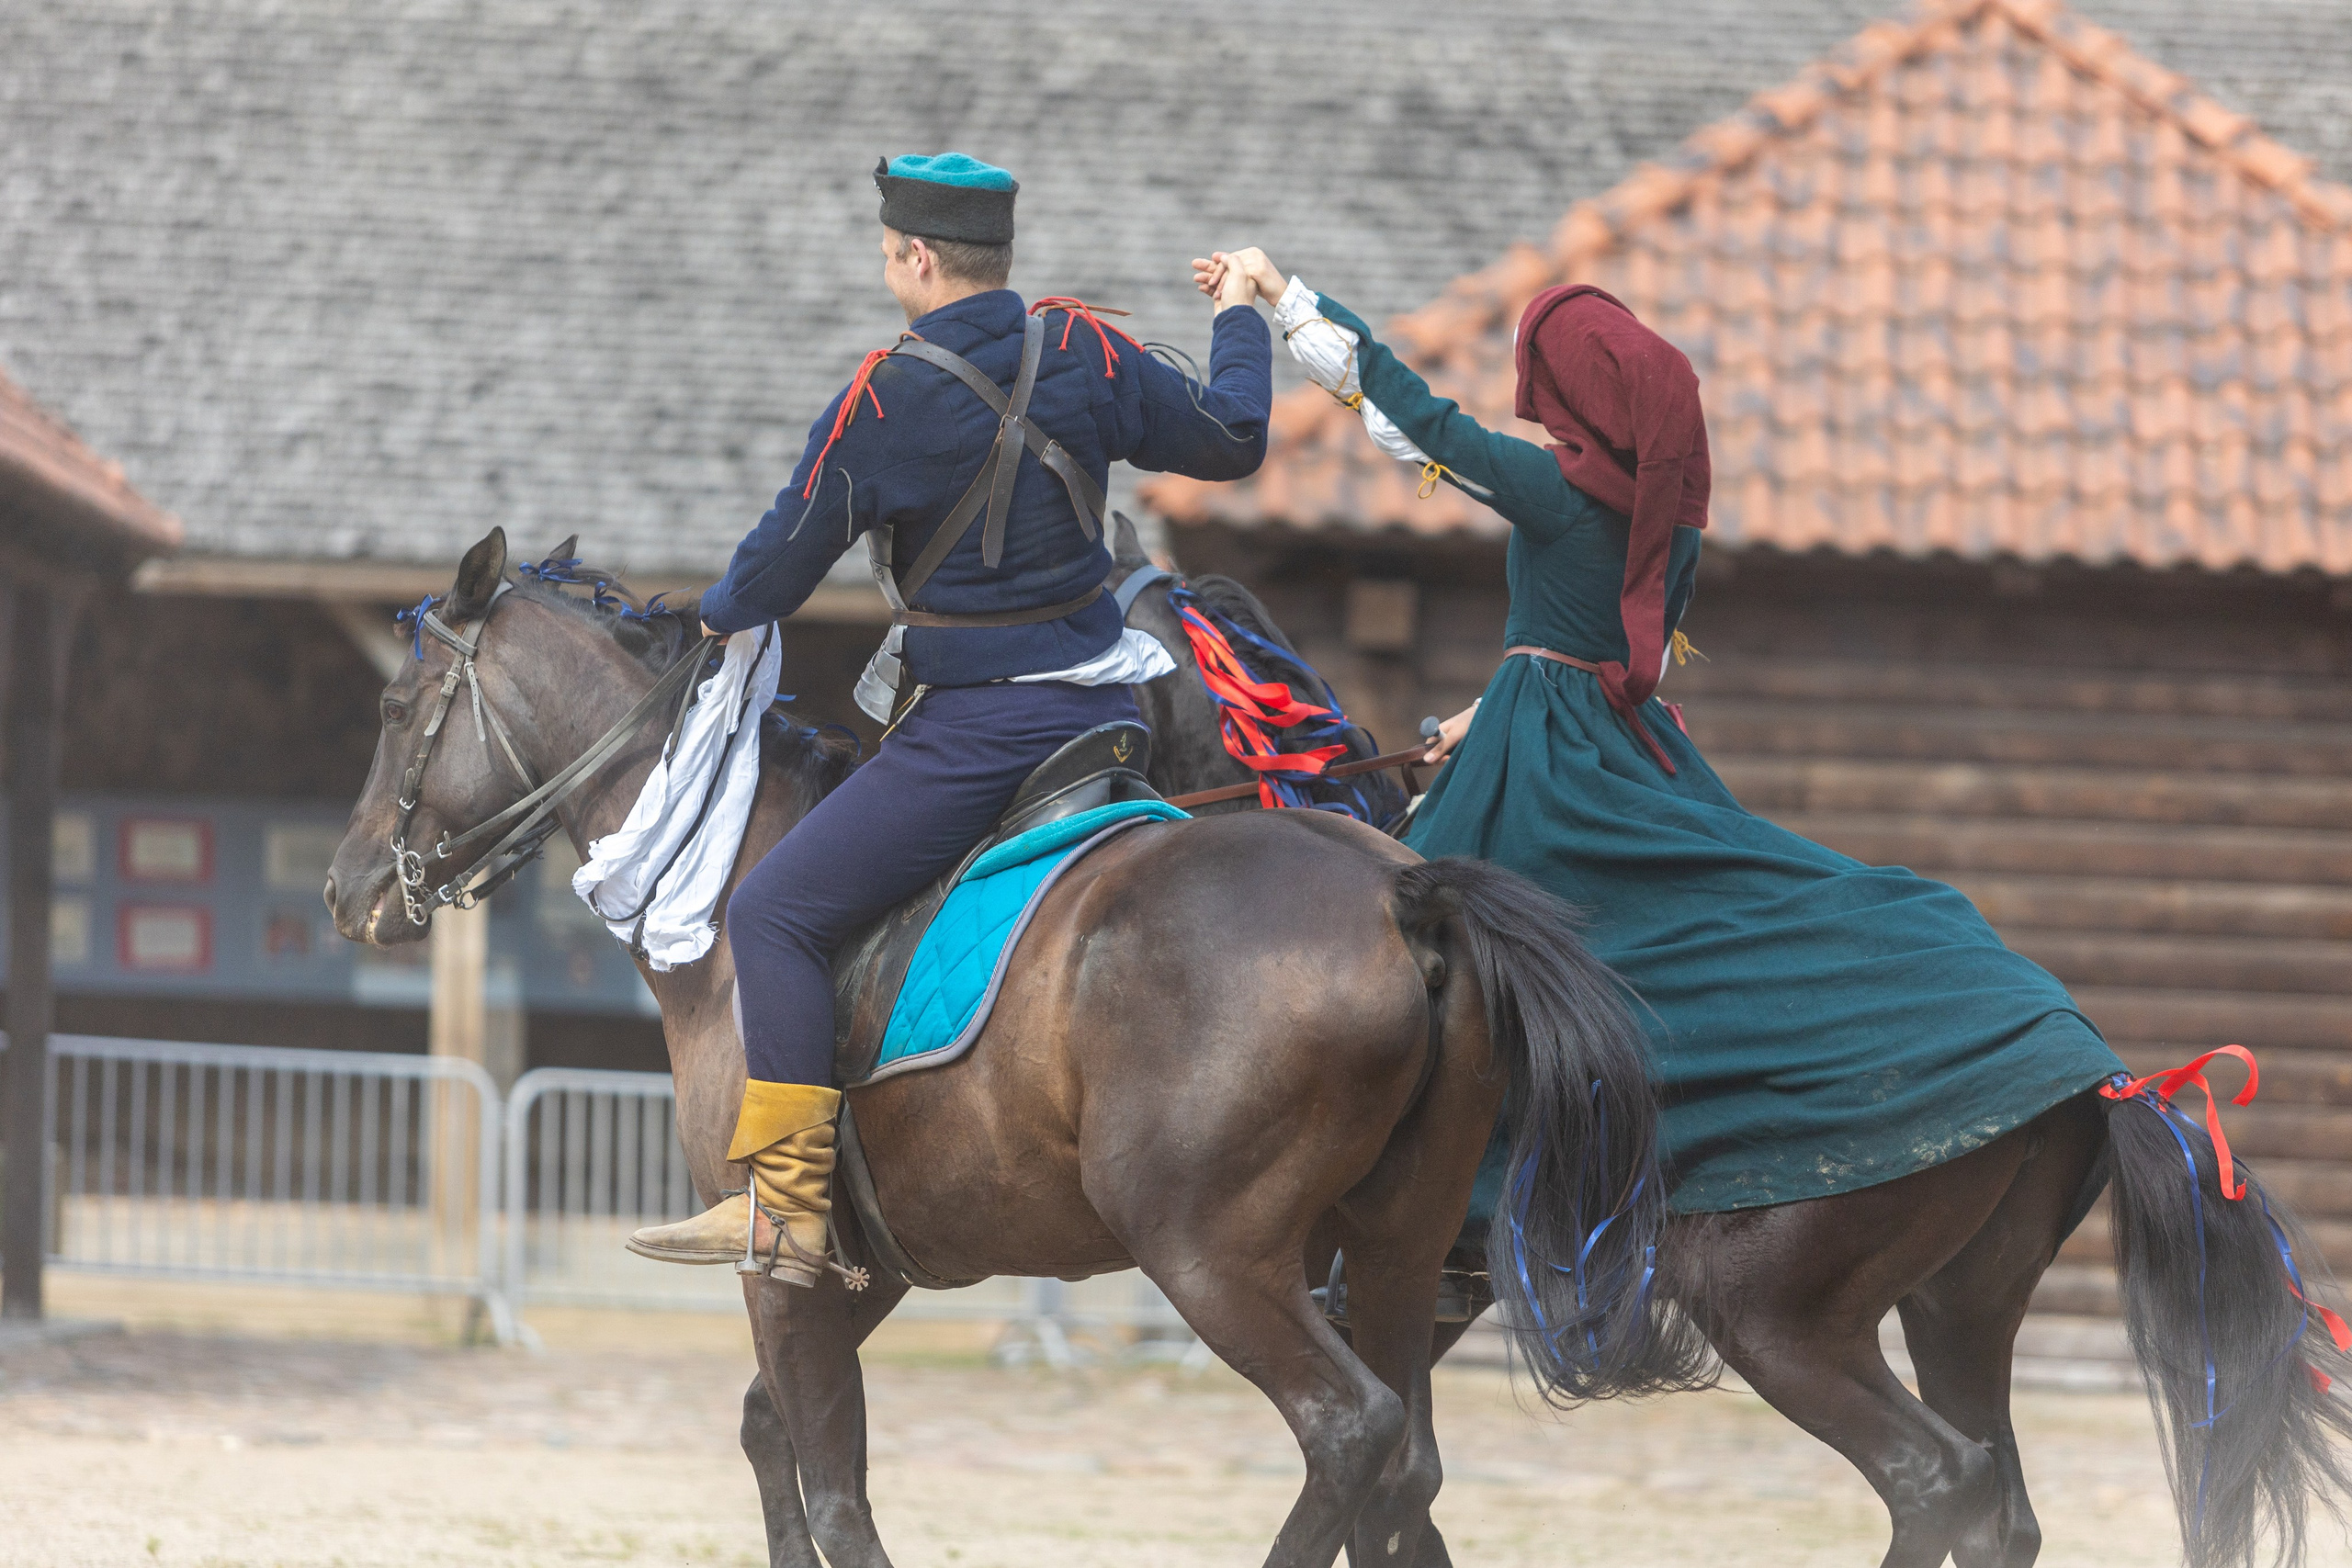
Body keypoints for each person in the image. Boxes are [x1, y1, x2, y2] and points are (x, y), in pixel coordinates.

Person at [1205, 249, 2124, 1216]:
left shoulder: (1559, 493)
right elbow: (1588, 638)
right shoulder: (1669, 515)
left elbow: (1419, 421)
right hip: (1619, 736)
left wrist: (1281, 294)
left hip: (1549, 758)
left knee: (1404, 933)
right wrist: (1491, 707)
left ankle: (1414, 1210)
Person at [628, 155, 1273, 1280]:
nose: (889, 269)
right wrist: (1235, 315)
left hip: (978, 744)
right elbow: (1232, 439)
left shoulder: (883, 397)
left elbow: (772, 577)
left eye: (888, 255)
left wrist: (710, 618)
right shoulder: (1087, 350)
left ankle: (785, 1208)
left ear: (916, 257)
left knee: (773, 912)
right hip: (1112, 720)